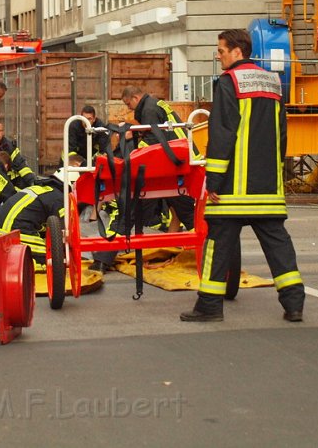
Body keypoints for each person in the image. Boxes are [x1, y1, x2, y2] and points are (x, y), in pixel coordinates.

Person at [180, 29, 305, 323]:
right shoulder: (273, 83)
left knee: (218, 244)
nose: (218, 55)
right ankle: (294, 304)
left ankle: (209, 306)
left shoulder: (228, 82)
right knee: (278, 245)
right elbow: (282, 136)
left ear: (237, 51)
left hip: (233, 190)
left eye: (221, 50)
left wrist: (213, 181)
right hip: (267, 187)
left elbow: (222, 134)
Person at [121, 86, 196, 231]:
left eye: (128, 104)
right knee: (175, 208)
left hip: (176, 160)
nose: (129, 108)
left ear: (136, 98)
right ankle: (173, 243)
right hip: (178, 155)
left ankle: (202, 244)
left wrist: (133, 156)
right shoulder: (153, 104)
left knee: (184, 209)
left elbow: (153, 139)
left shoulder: (148, 110)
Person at [0, 168, 73, 263]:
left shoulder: (40, 189)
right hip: (13, 232)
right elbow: (61, 233)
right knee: (50, 260)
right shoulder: (58, 198)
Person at [0, 119, 36, 188]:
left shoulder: (10, 146)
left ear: (3, 132)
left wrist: (32, 181)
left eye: (0, 130)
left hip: (9, 180)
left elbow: (21, 165)